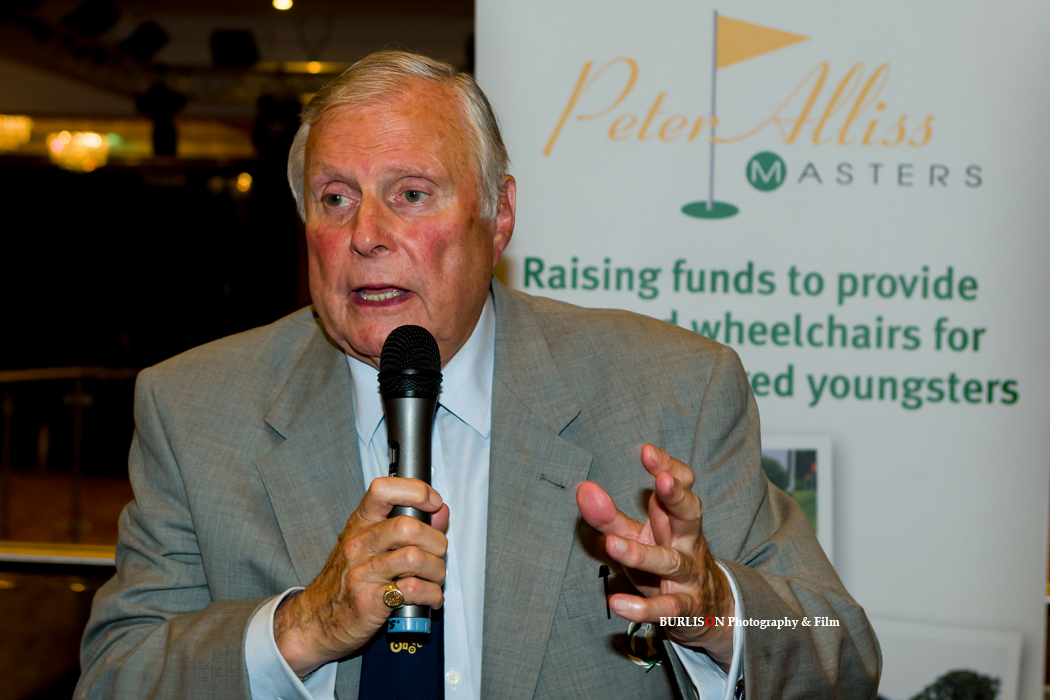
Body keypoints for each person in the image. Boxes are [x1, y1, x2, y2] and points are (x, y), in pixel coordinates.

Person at [76, 51, 880, 700]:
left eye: (410, 193)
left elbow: (837, 646)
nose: (366, 235)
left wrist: (718, 613)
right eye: (335, 198)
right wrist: (302, 628)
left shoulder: (674, 390)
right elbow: (115, 677)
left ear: (498, 217)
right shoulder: (194, 409)